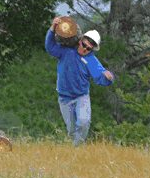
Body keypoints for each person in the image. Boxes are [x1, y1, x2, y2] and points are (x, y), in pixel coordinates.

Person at [45, 16, 115, 147]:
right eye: (84, 45)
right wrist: (53, 28)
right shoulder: (65, 51)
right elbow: (50, 47)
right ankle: (74, 153)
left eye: (89, 48)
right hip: (64, 98)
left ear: (92, 50)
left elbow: (101, 77)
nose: (85, 49)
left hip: (81, 97)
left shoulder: (92, 60)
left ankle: (79, 150)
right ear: (80, 40)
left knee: (83, 122)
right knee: (71, 130)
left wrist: (109, 77)